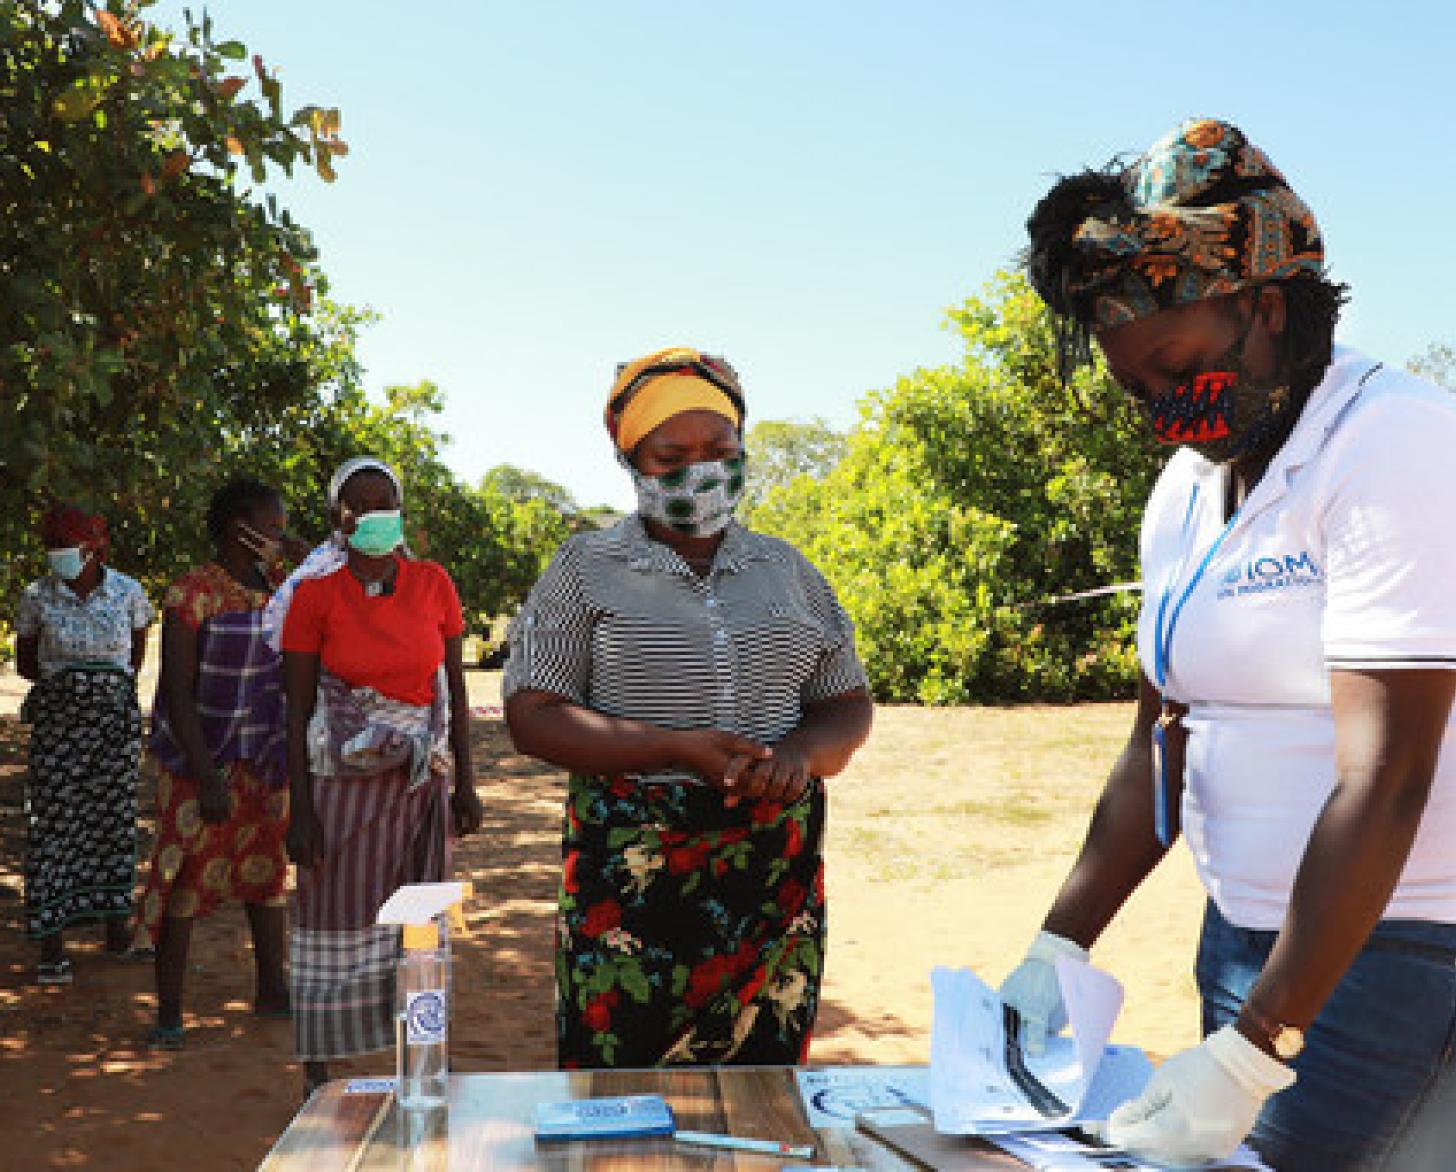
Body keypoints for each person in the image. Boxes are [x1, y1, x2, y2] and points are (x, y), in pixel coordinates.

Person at [1002, 118, 1456, 1170]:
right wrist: (1061, 940)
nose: (1167, 412)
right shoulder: (1187, 488)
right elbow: (1160, 738)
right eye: (1137, 391)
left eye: (1179, 369)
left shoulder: (1393, 442)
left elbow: (1386, 774)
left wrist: (1257, 1047)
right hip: (1249, 942)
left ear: (1266, 307)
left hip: (1399, 949)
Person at [505, 347, 874, 1069]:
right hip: (632, 884)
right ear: (630, 461)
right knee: (622, 1087)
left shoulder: (789, 570)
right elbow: (533, 714)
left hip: (771, 880)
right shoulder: (583, 569)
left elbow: (846, 703)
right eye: (671, 457)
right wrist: (673, 747)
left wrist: (799, 755)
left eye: (721, 451)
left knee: (762, 1083)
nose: (700, 472)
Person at [277, 457, 484, 1093]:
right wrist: (300, 810)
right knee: (332, 913)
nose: (374, 514)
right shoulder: (314, 596)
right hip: (342, 783)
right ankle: (320, 1067)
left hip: (422, 781)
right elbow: (298, 709)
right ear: (337, 519)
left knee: (421, 922)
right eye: (359, 504)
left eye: (385, 501)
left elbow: (453, 689)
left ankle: (423, 1050)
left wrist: (467, 783)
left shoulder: (433, 583)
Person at [137, 479, 300, 1048]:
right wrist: (206, 775)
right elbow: (177, 694)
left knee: (267, 875)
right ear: (240, 528)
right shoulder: (192, 593)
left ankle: (272, 989)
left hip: (263, 759)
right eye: (273, 527)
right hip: (199, 761)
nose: (280, 537)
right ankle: (169, 1012)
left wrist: (304, 564)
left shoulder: (280, 589)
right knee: (183, 879)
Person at [14, 504, 154, 984]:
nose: (57, 554)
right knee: (53, 824)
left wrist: (100, 687)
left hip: (113, 728)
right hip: (59, 730)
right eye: (51, 546)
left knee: (112, 819)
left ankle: (117, 931)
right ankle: (52, 946)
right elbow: (27, 664)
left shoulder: (128, 592)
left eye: (65, 545)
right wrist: (73, 686)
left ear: (94, 547)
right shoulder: (35, 597)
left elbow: (134, 658)